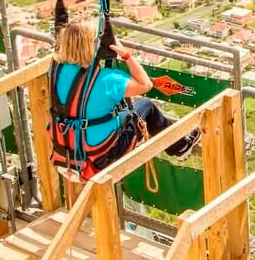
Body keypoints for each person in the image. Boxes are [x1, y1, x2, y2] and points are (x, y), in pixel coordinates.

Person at [49, 15, 199, 177]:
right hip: (100, 155)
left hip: (66, 149)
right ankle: (181, 146)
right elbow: (146, 84)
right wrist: (126, 55)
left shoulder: (57, 71)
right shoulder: (108, 79)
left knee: (115, 110)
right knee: (146, 105)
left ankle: (180, 144)